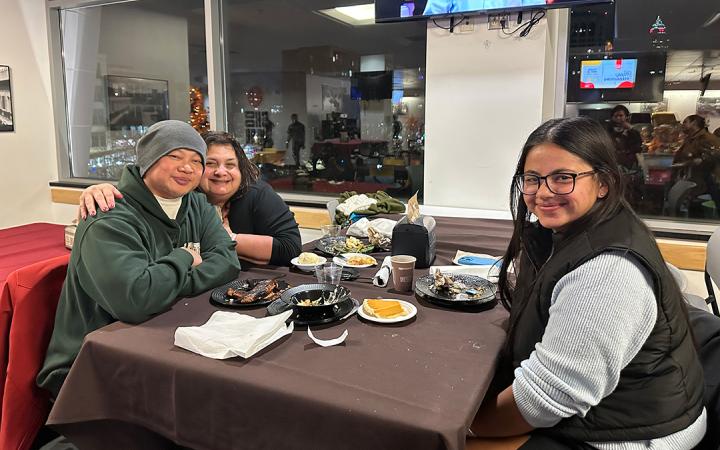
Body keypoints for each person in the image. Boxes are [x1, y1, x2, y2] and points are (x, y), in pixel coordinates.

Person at [468, 117, 706, 449]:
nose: (544, 192)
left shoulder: (608, 273)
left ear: (604, 183)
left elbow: (546, 398)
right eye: (533, 179)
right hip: (600, 412)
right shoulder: (571, 233)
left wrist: (465, 426)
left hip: (631, 435)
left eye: (563, 178)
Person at [37, 120, 241, 398]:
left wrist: (163, 285)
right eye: (175, 156)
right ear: (149, 159)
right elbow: (137, 299)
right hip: (91, 364)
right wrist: (184, 257)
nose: (187, 167)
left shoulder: (196, 204)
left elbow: (228, 263)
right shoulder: (108, 215)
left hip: (163, 339)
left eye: (196, 160)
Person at [79, 131, 301, 267]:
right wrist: (100, 189)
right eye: (210, 163)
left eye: (230, 165)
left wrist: (228, 238)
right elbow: (141, 191)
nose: (221, 172)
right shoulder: (183, 196)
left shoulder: (256, 194)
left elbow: (291, 247)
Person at [672, 114, 720, 214]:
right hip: (694, 180)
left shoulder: (708, 138)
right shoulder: (691, 139)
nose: (683, 125)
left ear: (694, 123)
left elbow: (715, 155)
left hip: (707, 182)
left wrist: (697, 161)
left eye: (685, 122)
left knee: (700, 210)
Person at [606, 105, 642, 171]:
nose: (618, 118)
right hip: (612, 164)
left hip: (630, 165)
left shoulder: (633, 132)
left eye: (621, 115)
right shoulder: (607, 131)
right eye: (616, 116)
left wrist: (631, 129)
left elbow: (639, 147)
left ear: (626, 117)